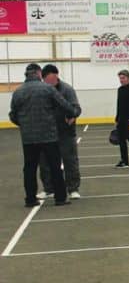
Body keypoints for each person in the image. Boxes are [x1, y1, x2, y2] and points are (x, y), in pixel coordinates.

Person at [8, 63, 74, 207]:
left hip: (28, 138)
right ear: (38, 73)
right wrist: (72, 114)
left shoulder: (18, 92)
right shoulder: (48, 89)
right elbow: (64, 105)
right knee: (55, 166)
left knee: (30, 169)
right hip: (49, 135)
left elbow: (13, 115)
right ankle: (60, 198)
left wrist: (24, 125)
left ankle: (30, 199)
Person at [38, 64, 83, 200]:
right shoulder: (41, 90)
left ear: (56, 76)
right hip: (47, 132)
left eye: (52, 79)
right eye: (46, 80)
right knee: (45, 162)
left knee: (70, 161)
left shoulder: (67, 89)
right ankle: (49, 189)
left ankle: (73, 189)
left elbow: (76, 108)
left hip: (65, 132)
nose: (49, 83)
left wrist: (72, 116)